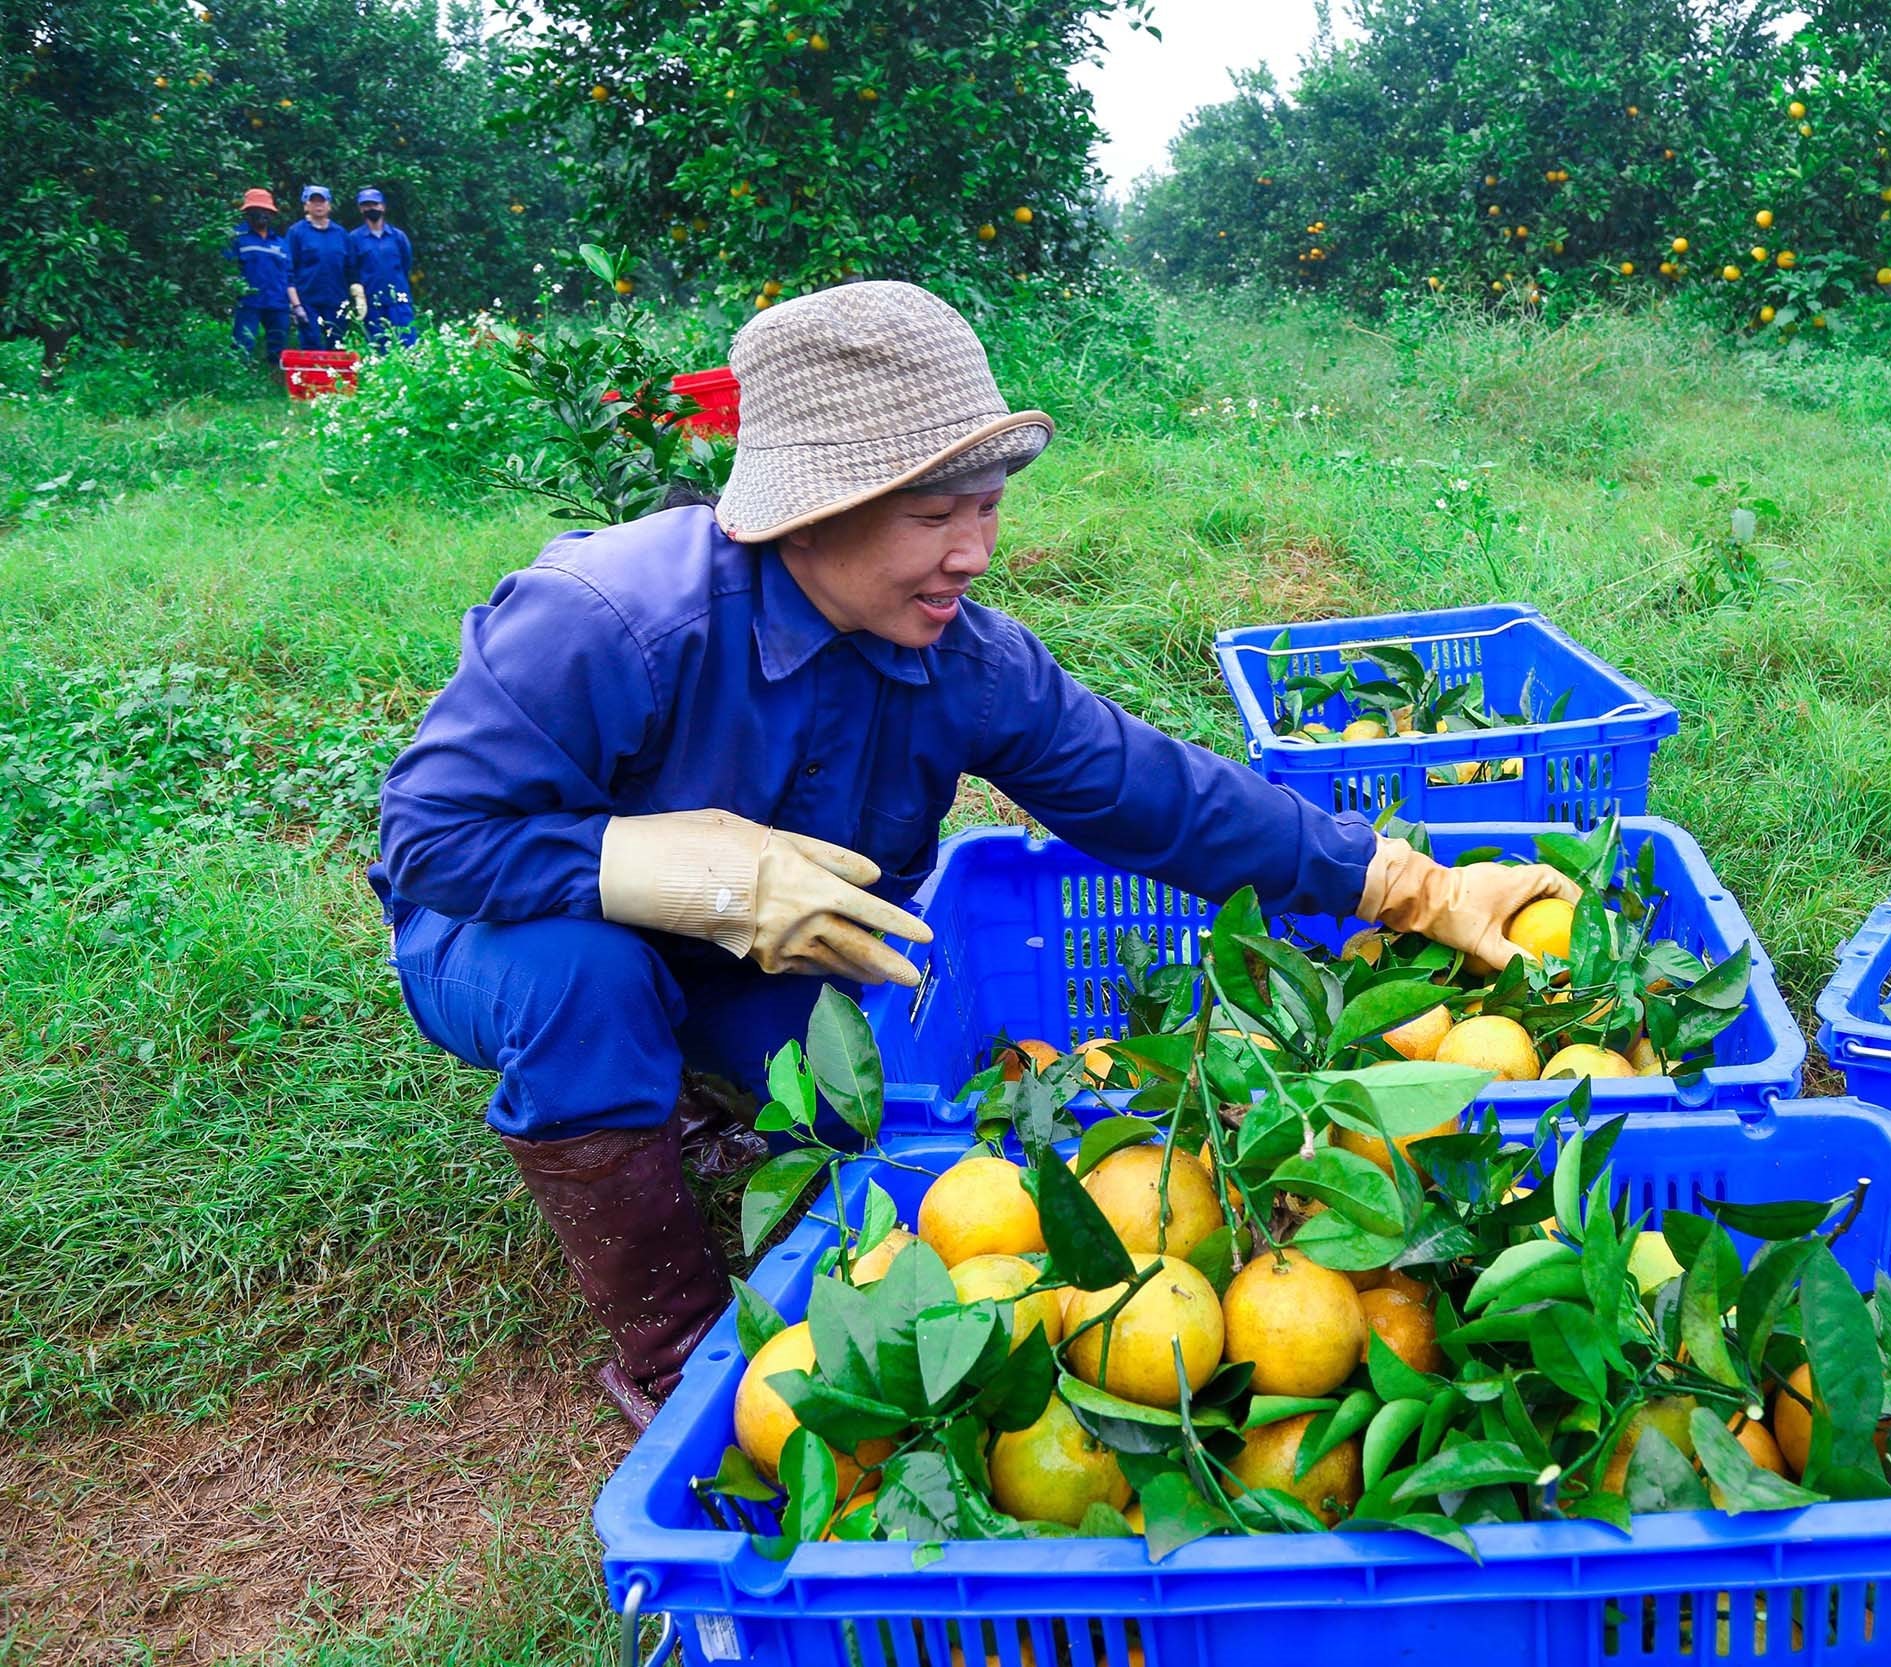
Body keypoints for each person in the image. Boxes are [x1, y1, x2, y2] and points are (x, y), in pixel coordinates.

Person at [371, 282, 1577, 1424]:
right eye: (934, 515)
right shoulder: (612, 618)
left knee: (881, 1088)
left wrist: (1404, 883)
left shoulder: (959, 656)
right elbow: (434, 837)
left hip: (761, 960)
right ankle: (671, 1343)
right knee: (582, 983)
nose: (974, 551)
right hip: (503, 926)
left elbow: (1150, 792)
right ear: (812, 509)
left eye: (988, 506)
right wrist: (699, 879)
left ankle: (685, 1090)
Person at [283, 185, 353, 351]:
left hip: (337, 301)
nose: (318, 206)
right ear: (306, 206)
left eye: (322, 201)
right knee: (311, 347)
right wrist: (296, 305)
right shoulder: (296, 232)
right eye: (313, 202)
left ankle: (336, 378)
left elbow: (350, 268)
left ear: (329, 205)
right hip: (308, 301)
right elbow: (287, 271)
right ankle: (311, 378)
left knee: (338, 347)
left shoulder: (341, 233)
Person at [225, 188, 289, 369]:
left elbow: (288, 274)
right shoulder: (236, 238)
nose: (262, 215)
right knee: (243, 344)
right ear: (247, 213)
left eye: (266, 211)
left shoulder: (280, 242)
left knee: (278, 346)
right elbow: (227, 270)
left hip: (277, 302)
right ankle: (238, 381)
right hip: (249, 302)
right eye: (257, 210)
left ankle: (275, 382)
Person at [346, 187, 416, 353]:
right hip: (372, 302)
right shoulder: (354, 238)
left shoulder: (398, 236)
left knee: (407, 344)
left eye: (374, 204)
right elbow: (352, 269)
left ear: (383, 207)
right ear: (361, 209)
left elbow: (406, 263)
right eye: (366, 205)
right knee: (379, 347)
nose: (371, 209)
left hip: (399, 299)